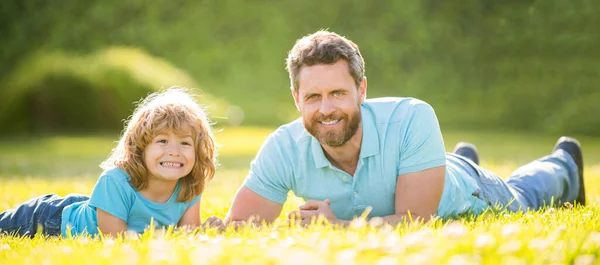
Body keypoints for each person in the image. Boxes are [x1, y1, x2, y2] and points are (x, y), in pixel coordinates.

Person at [224, 30, 586, 226]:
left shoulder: (412, 116)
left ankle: (563, 163)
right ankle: (450, 160)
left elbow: (417, 220)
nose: (326, 108)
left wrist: (340, 227)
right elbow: (241, 224)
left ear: (362, 89)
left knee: (522, 196)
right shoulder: (283, 146)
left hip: (468, 192)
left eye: (338, 93)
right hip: (424, 167)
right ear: (296, 97)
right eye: (313, 96)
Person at [0, 87, 225, 237]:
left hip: (100, 207)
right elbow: (117, 240)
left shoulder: (190, 185)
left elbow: (185, 236)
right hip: (49, 219)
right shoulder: (116, 181)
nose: (174, 151)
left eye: (185, 144)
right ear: (140, 147)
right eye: (163, 141)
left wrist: (205, 232)